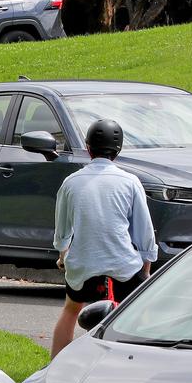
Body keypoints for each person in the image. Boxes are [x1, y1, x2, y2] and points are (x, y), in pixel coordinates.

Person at [50, 118, 157, 358]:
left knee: (71, 310)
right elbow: (144, 232)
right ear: (117, 151)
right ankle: (143, 361)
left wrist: (62, 254)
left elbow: (62, 230)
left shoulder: (70, 183)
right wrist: (146, 268)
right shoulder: (130, 182)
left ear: (88, 148)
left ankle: (54, 366)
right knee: (140, 313)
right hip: (124, 266)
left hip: (83, 265)